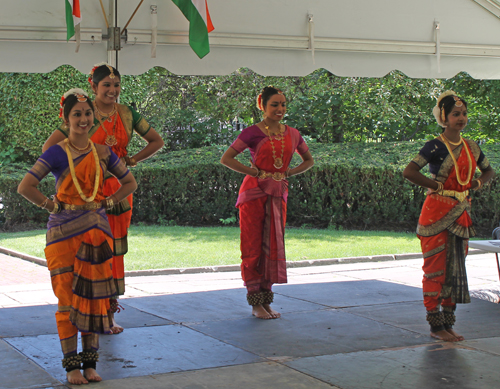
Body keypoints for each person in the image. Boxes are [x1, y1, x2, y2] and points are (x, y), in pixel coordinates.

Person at [18, 89, 137, 384]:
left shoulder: (103, 152)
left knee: (94, 298)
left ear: (93, 117)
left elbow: (129, 182)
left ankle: (90, 364)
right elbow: (26, 186)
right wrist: (49, 204)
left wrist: (108, 203)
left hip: (96, 232)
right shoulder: (57, 151)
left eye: (87, 114)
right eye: (77, 115)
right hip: (62, 233)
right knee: (68, 301)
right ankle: (72, 367)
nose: (83, 120)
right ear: (66, 118)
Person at [43, 63, 164, 333]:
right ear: (93, 87)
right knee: (86, 251)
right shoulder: (84, 114)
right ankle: (84, 312)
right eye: (106, 85)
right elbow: (49, 148)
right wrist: (69, 175)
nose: (112, 90)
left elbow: (156, 141)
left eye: (116, 84)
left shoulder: (127, 113)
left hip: (118, 193)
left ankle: (108, 312)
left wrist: (131, 159)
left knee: (112, 253)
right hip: (86, 195)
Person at [403, 90, 494, 342]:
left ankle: (448, 322)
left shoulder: (472, 147)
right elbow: (409, 171)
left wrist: (475, 185)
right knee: (435, 270)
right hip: (436, 215)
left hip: (461, 213)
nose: (461, 118)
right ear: (444, 117)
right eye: (455, 114)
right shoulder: (434, 146)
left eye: (464, 113)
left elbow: (489, 172)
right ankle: (435, 326)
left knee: (455, 270)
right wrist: (434, 186)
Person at [220, 86, 314, 319]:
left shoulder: (293, 133)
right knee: (252, 246)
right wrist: (254, 171)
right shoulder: (252, 132)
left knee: (272, 245)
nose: (280, 109)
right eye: (275, 104)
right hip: (254, 194)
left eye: (283, 104)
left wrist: (289, 173)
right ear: (262, 105)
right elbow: (227, 158)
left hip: (278, 194)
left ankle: (266, 300)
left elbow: (309, 160)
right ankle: (255, 303)